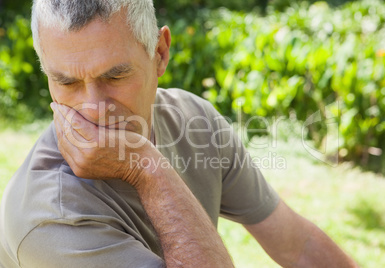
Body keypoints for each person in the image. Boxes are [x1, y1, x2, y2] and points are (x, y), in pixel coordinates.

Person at [0, 0, 359, 267]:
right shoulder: (49, 217)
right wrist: (145, 167)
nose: (93, 108)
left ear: (159, 53)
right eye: (66, 82)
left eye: (114, 76)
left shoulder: (193, 119)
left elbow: (299, 246)